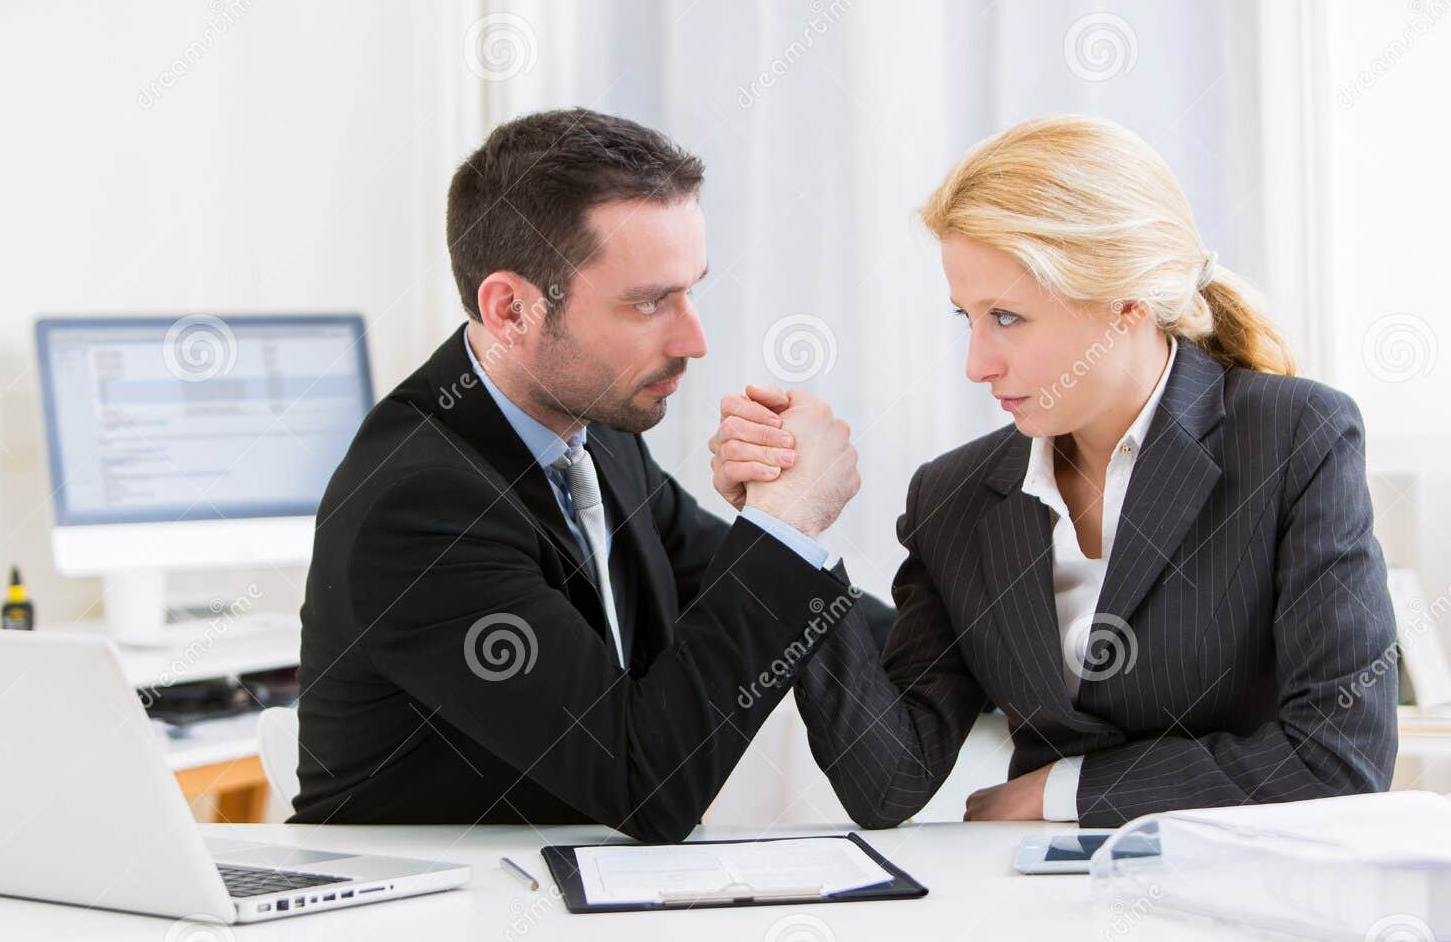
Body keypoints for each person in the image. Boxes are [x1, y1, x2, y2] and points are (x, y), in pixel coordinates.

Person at [710, 115, 1398, 828]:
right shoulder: (954, 497)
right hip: (1031, 910)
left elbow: (1338, 758)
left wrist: (1059, 791)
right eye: (966, 317)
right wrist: (790, 535)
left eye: (1007, 317)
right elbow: (889, 781)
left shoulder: (1293, 439)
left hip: (1236, 906)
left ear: (1127, 304)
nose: (977, 363)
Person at [292, 107, 889, 843]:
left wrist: (979, 649)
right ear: (511, 309)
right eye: (647, 303)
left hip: (561, 908)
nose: (694, 339)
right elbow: (648, 783)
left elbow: (716, 584)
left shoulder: (593, 431)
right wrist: (784, 524)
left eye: (690, 290)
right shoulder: (418, 509)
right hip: (431, 932)